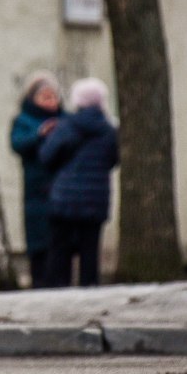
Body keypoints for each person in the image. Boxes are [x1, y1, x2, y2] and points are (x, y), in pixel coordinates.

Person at [39, 77, 119, 287]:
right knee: (89, 249)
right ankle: (89, 286)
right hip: (96, 197)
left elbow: (47, 156)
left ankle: (58, 289)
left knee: (60, 248)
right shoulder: (110, 130)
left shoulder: (66, 126)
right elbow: (113, 160)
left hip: (64, 196)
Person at [9, 71, 63, 288]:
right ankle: (38, 280)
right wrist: (40, 134)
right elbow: (18, 144)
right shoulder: (24, 121)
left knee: (59, 237)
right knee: (37, 237)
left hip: (61, 186)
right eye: (45, 97)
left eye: (53, 96)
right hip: (35, 188)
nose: (51, 102)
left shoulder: (64, 119)